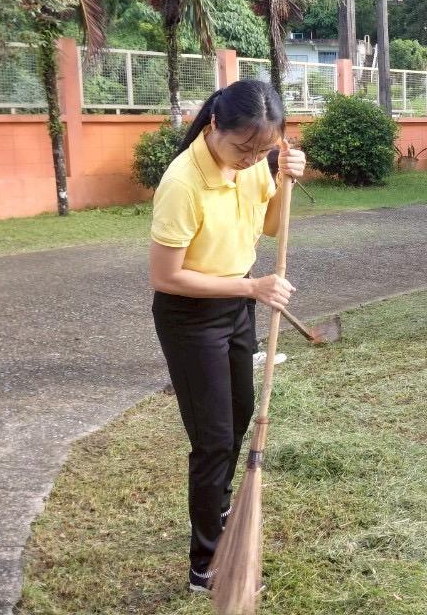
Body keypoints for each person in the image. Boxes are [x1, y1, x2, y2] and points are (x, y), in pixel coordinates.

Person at [147, 79, 305, 593]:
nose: (250, 158)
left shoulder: (258, 163)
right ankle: (205, 563)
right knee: (213, 440)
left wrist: (283, 180)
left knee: (237, 417)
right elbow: (165, 277)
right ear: (215, 125)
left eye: (264, 149)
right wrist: (252, 286)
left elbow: (271, 229)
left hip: (239, 303)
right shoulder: (182, 182)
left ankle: (216, 505)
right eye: (244, 148)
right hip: (191, 316)